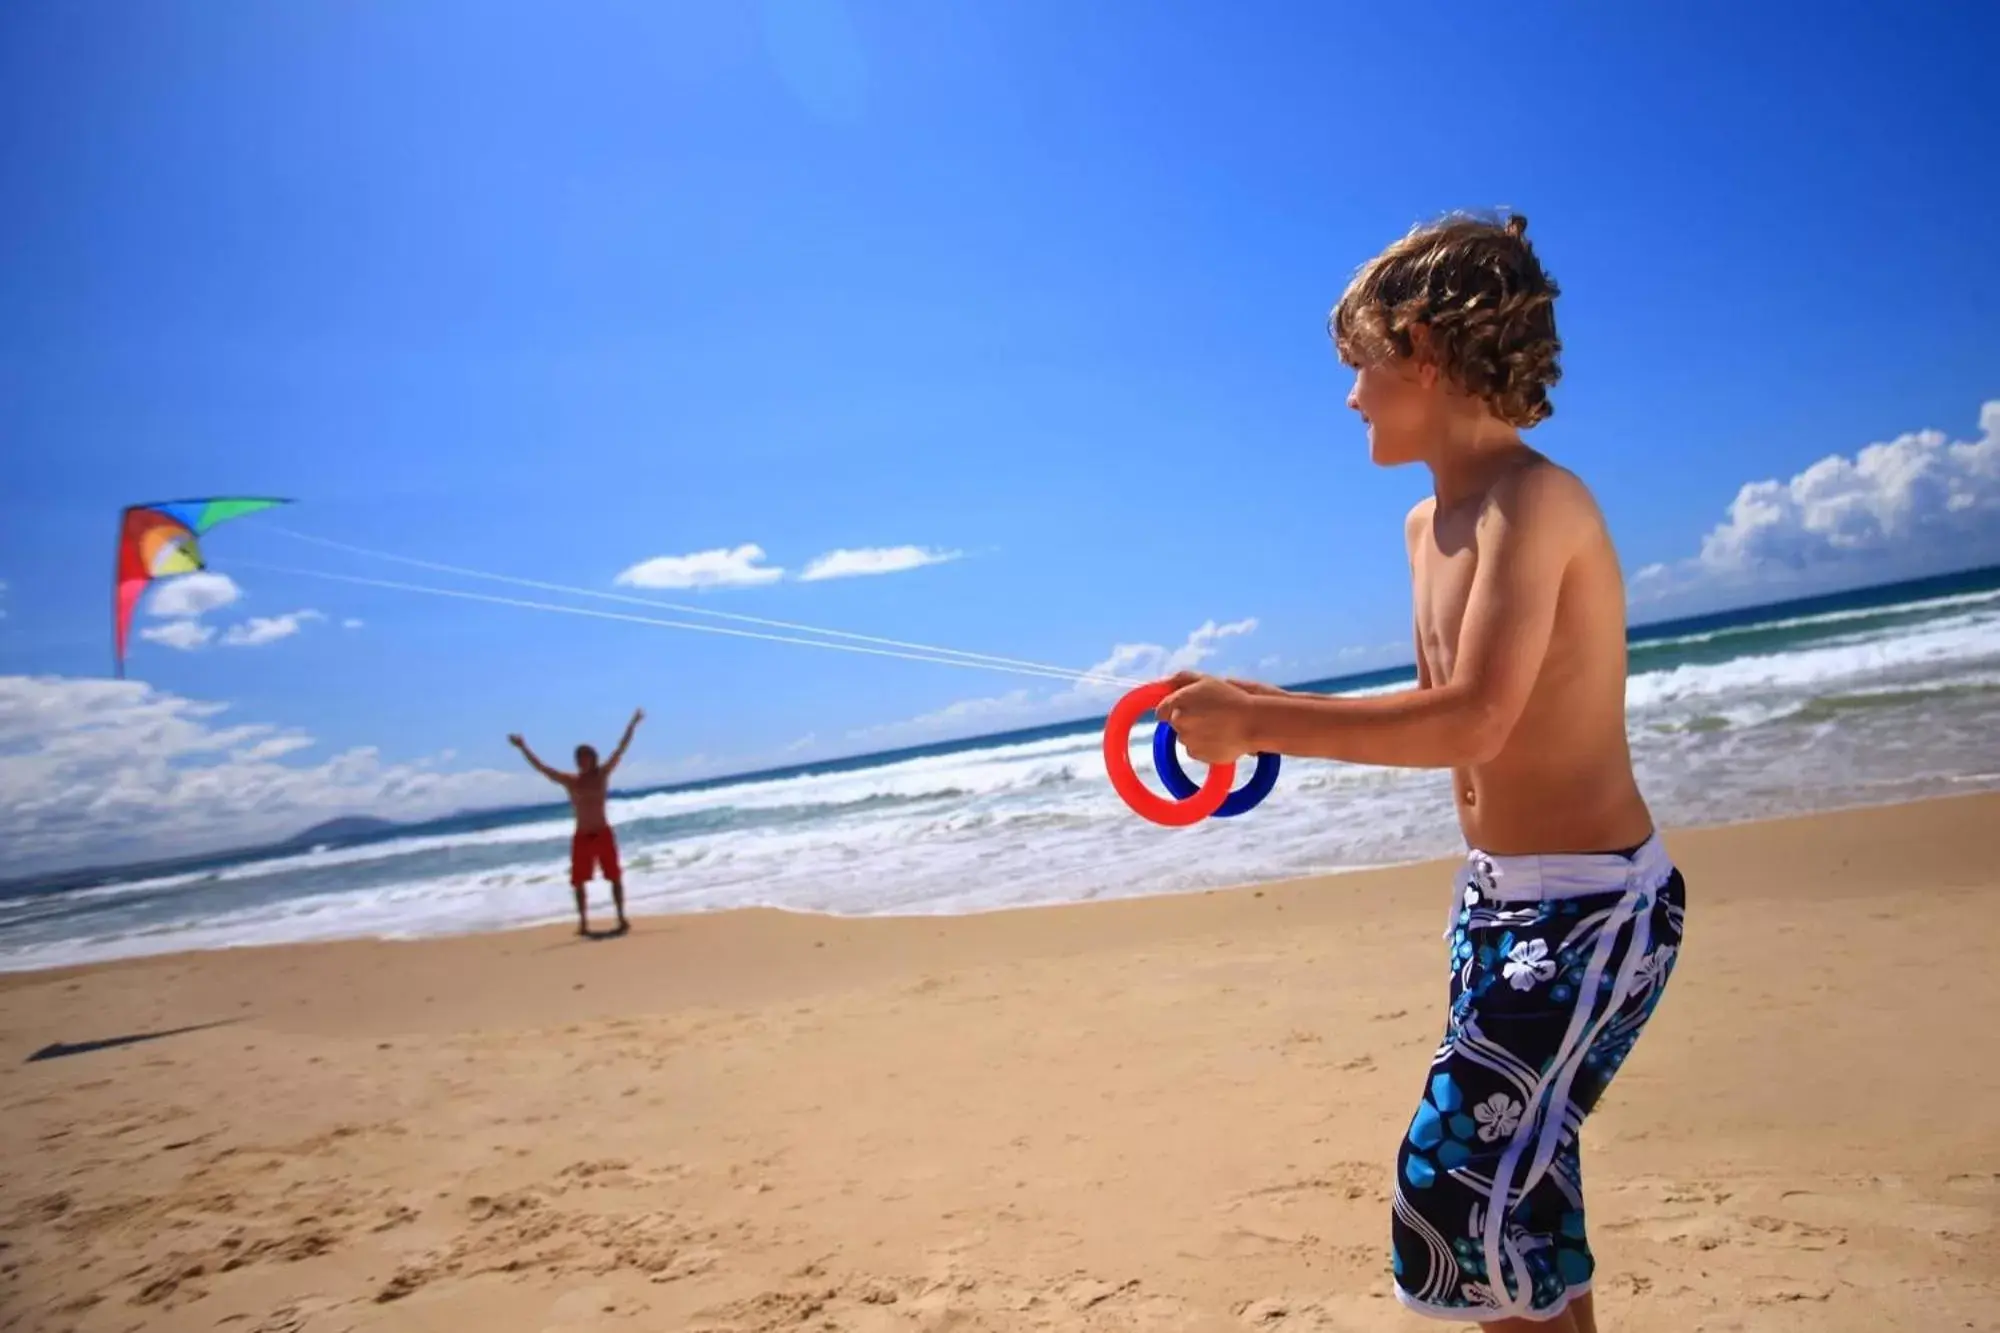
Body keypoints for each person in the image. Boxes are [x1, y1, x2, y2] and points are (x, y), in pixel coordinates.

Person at [1156, 213, 1683, 1332]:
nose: (1349, 398)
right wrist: (1258, 717)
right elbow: (1443, 717)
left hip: (1595, 910)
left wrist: (1259, 716)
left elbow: (1473, 719)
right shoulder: (1421, 525)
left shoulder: (1534, 503)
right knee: (1521, 1195)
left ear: (1423, 352)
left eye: (1360, 367)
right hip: (1494, 906)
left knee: (1444, 1189)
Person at [509, 708, 644, 936]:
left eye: (586, 757)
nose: (583, 762)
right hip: (582, 836)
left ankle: (621, 918)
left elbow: (621, 749)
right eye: (579, 759)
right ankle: (583, 923)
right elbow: (543, 768)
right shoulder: (571, 781)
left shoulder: (602, 774)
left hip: (602, 833)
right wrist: (524, 748)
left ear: (593, 758)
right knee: (578, 881)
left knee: (614, 877)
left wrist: (633, 724)